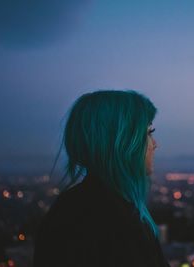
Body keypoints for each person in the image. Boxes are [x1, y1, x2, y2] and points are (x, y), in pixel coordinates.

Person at [33, 90, 171, 267]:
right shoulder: (116, 223)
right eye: (149, 132)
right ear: (122, 141)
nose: (155, 144)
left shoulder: (70, 208)